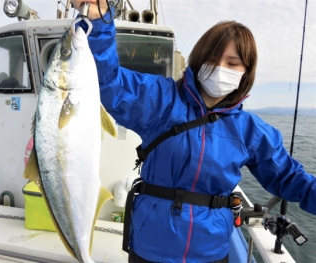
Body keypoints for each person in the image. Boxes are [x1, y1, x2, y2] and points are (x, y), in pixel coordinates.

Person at [70, 1, 316, 262]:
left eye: (232, 63)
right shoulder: (160, 99)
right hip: (150, 249)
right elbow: (108, 82)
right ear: (198, 62)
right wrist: (99, 22)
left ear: (245, 73)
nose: (220, 67)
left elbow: (291, 179)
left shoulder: (250, 130)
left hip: (210, 252)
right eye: (212, 59)